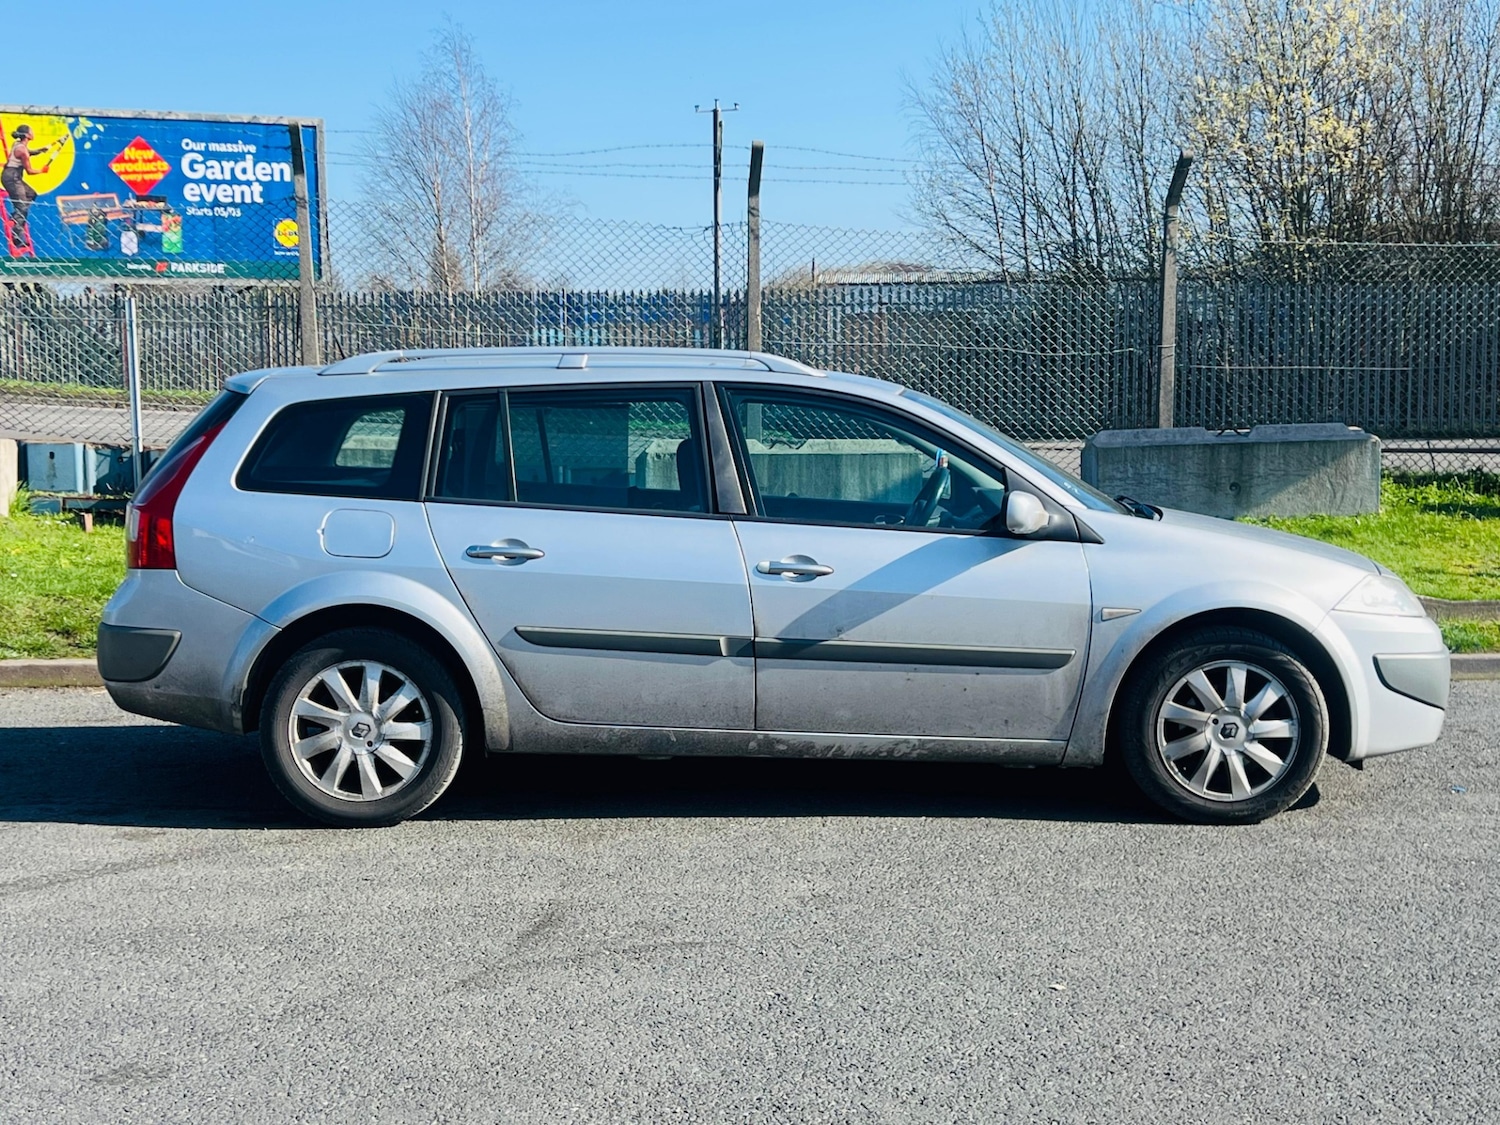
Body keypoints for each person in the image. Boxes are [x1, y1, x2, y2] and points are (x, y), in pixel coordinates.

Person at [3, 124, 53, 248]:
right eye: (31, 131)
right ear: (27, 135)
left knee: (31, 193)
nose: (33, 133)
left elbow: (28, 152)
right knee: (22, 207)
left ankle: (16, 214)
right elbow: (30, 171)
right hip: (12, 177)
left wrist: (40, 150)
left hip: (13, 176)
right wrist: (42, 170)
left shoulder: (18, 144)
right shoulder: (22, 150)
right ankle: (17, 237)